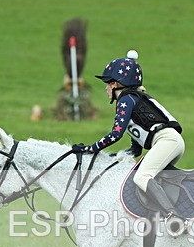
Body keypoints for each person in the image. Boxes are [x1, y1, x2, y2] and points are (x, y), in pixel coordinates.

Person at [75, 50, 186, 226]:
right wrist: (110, 158)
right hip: (168, 142)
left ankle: (175, 218)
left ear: (116, 84)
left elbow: (115, 134)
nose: (105, 88)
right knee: (146, 177)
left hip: (166, 141)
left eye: (108, 83)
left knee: (141, 177)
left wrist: (91, 149)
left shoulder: (126, 100)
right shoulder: (133, 100)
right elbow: (136, 149)